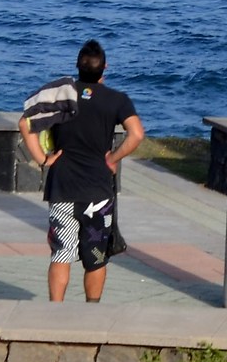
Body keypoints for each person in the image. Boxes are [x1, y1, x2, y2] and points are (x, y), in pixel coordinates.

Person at [19, 40, 143, 303]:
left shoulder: (62, 95)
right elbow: (137, 134)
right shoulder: (117, 100)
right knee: (96, 257)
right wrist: (114, 158)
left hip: (62, 186)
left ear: (77, 66)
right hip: (98, 190)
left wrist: (43, 159)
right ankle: (91, 313)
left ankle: (56, 310)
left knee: (61, 254)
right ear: (105, 68)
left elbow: (25, 123)